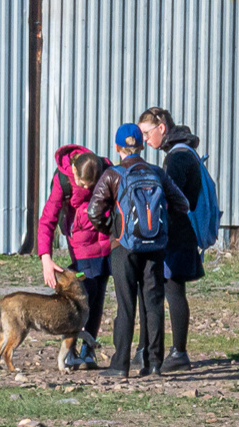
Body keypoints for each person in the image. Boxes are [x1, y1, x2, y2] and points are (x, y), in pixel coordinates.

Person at [87, 123, 190, 379]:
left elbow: (93, 212)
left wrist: (112, 229)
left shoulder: (112, 175)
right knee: (153, 303)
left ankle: (120, 365)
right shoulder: (156, 173)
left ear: (117, 147)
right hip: (154, 246)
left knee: (125, 305)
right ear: (142, 146)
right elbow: (183, 204)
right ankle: (154, 364)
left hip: (122, 247)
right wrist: (160, 224)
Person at [138, 108, 206, 372]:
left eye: (147, 133)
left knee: (174, 290)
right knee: (174, 290)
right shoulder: (182, 152)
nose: (145, 140)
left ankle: (179, 352)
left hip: (177, 235)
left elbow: (172, 200)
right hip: (183, 233)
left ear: (162, 128)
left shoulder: (176, 159)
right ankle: (177, 351)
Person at [38, 146, 112, 369]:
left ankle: (88, 350)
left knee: (97, 297)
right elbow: (47, 220)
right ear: (73, 171)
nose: (88, 189)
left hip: (108, 244)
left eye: (93, 185)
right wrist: (45, 257)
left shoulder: (106, 170)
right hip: (82, 248)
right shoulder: (64, 181)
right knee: (81, 298)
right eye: (83, 185)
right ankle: (68, 350)